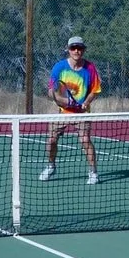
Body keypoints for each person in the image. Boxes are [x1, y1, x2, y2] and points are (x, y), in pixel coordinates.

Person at [39, 36, 102, 185]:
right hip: (63, 112)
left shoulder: (90, 68)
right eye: (73, 48)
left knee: (85, 140)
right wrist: (64, 101)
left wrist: (86, 102)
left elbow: (95, 90)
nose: (76, 51)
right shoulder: (59, 67)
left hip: (82, 114)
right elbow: (50, 92)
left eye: (79, 48)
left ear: (84, 50)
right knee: (51, 140)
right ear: (68, 49)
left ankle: (93, 172)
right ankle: (51, 166)